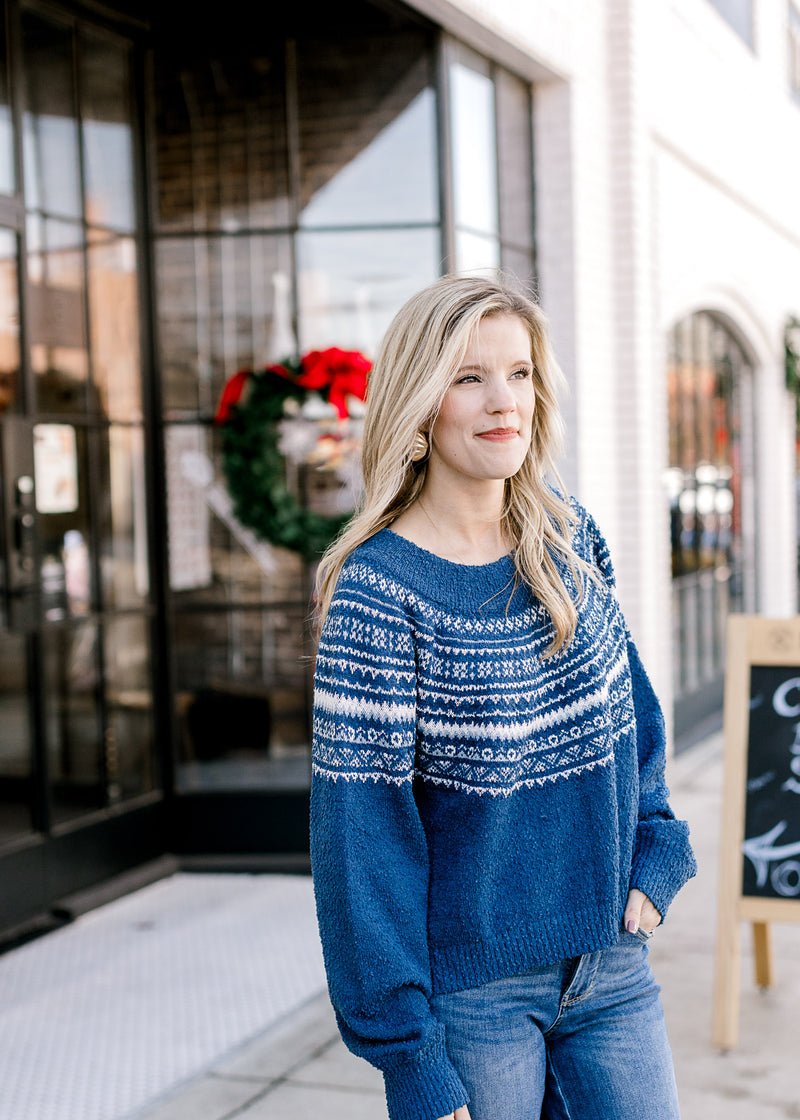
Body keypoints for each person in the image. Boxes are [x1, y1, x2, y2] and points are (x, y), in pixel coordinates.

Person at [309, 275, 697, 1120]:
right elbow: (361, 842)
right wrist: (409, 1056)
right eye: (469, 376)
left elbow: (631, 715)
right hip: (474, 1001)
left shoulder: (569, 538)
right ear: (421, 403)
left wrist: (658, 846)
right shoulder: (378, 595)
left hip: (613, 966)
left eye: (519, 373)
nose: (502, 401)